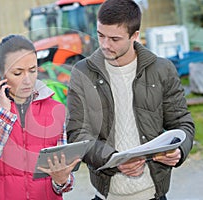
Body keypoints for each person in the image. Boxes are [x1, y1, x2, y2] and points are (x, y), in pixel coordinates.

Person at [66, 0, 195, 200]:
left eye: (114, 39)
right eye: (101, 35)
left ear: (135, 36)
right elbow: (77, 133)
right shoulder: (82, 73)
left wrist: (179, 149)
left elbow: (182, 123)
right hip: (107, 195)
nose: (105, 45)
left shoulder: (162, 69)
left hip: (154, 194)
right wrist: (112, 160)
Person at [0, 34, 81, 200]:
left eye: (32, 70)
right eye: (18, 73)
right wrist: (4, 115)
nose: (28, 80)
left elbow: (64, 183)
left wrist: (62, 180)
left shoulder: (56, 110)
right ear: (0, 74)